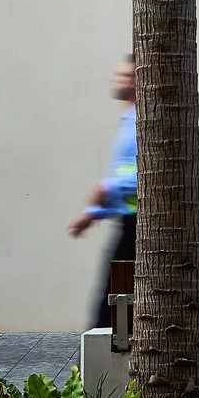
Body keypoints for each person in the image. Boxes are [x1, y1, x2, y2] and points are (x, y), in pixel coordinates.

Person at [68, 55, 139, 328]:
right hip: (129, 220)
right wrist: (93, 213)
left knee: (110, 299)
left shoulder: (139, 121)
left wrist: (107, 190)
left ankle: (100, 346)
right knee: (112, 294)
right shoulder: (128, 119)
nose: (119, 80)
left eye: (127, 76)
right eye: (119, 74)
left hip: (139, 224)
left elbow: (149, 171)